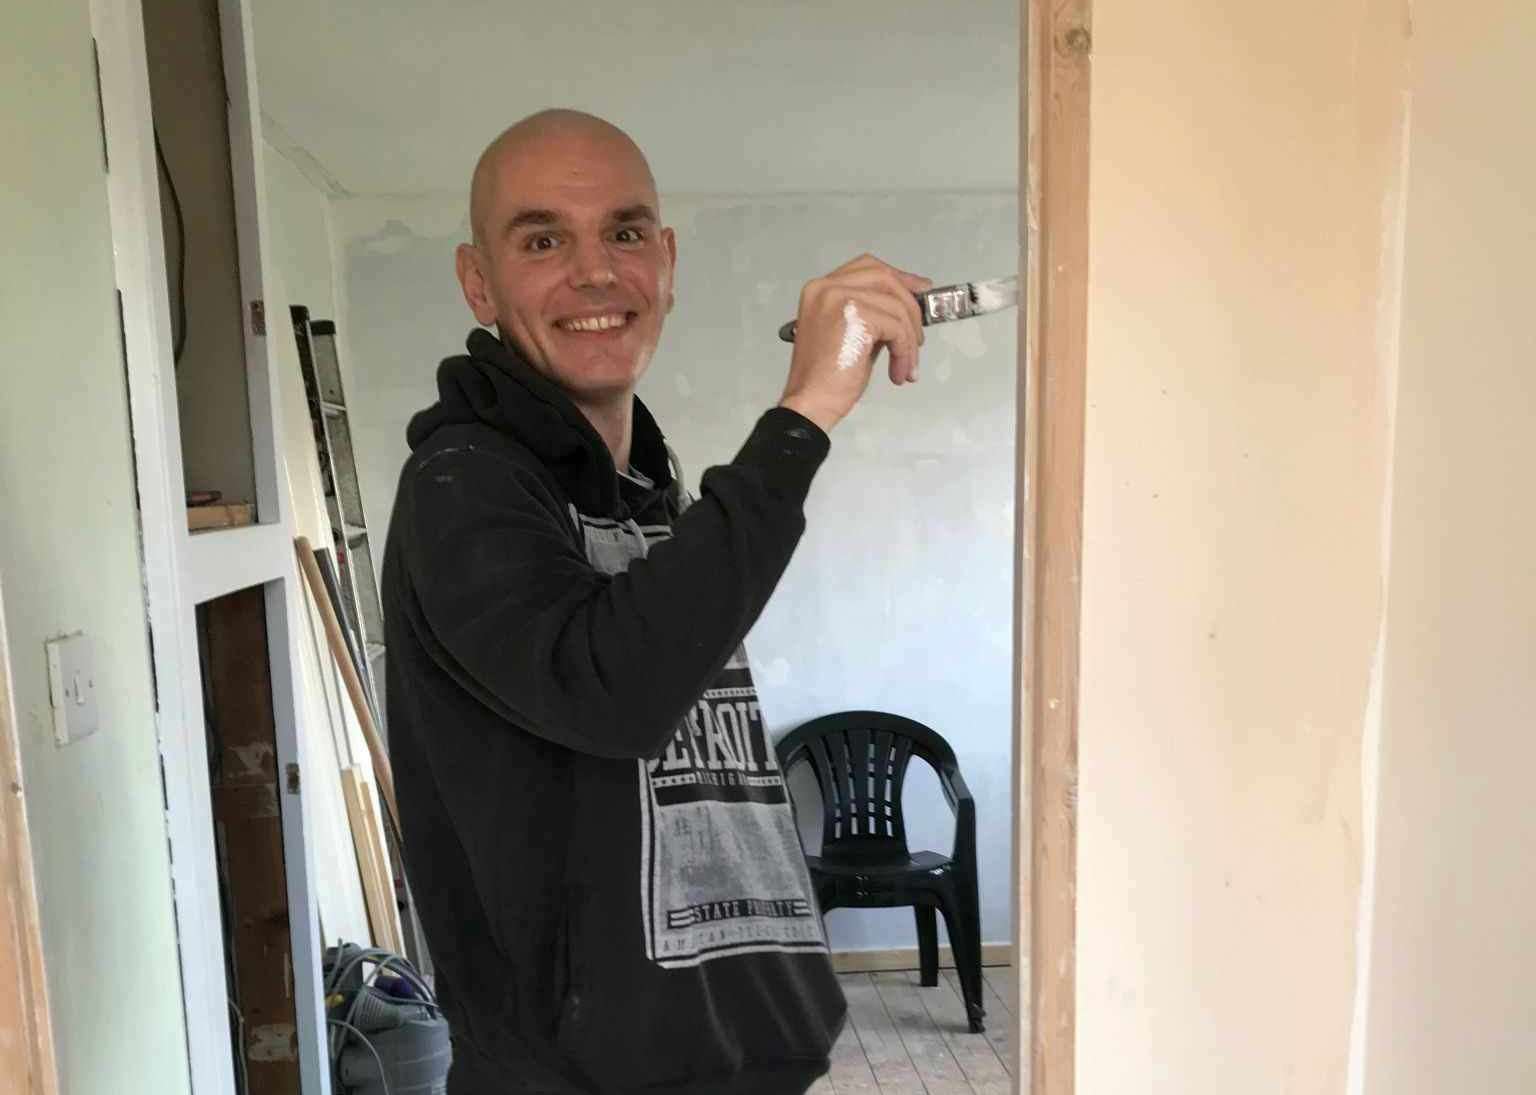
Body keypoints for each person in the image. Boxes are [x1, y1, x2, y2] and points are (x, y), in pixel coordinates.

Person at [381, 108, 929, 1094]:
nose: (596, 272)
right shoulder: (463, 482)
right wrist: (801, 417)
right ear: (479, 281)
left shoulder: (642, 488)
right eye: (543, 239)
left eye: (625, 233)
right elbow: (613, 690)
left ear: (665, 262)